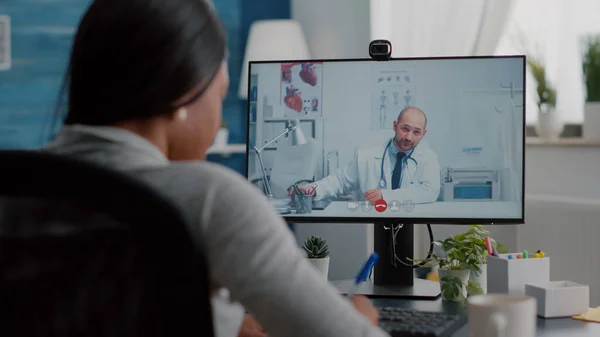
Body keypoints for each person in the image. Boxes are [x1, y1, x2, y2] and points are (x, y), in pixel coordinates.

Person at [43, 1, 388, 337]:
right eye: (219, 94)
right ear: (183, 95)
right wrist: (357, 324)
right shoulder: (211, 198)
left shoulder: (18, 187)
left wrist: (222, 324)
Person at [294, 107, 440, 205]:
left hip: (411, 222)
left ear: (424, 134)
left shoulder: (428, 158)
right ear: (395, 126)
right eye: (405, 129)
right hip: (373, 222)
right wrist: (312, 189)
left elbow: (430, 191)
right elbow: (340, 181)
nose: (409, 137)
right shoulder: (367, 155)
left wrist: (385, 197)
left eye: (416, 132)